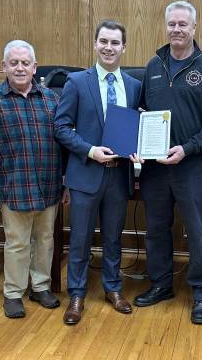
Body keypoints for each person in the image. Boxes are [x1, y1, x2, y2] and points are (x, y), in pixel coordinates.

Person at [133, 0, 202, 325]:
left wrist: (187, 149)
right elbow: (143, 110)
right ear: (166, 26)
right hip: (155, 167)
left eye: (182, 24)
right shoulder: (153, 66)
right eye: (172, 24)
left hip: (191, 165)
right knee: (156, 229)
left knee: (199, 232)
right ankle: (161, 284)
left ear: (194, 28)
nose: (177, 29)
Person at [54, 19, 141, 325]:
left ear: (123, 48)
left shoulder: (134, 86)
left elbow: (141, 127)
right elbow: (61, 127)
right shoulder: (77, 82)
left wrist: (141, 145)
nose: (109, 47)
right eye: (103, 41)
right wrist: (90, 150)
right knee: (79, 239)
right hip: (86, 173)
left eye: (115, 42)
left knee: (114, 238)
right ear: (95, 44)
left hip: (119, 176)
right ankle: (76, 294)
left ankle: (113, 288)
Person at [0, 40, 63, 319]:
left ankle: (40, 286)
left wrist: (66, 181)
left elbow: (63, 144)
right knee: (17, 242)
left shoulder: (51, 99)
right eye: (14, 63)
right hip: (13, 188)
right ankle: (13, 292)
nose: (20, 68)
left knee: (45, 239)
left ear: (35, 67)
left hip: (49, 185)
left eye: (26, 63)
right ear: (4, 67)